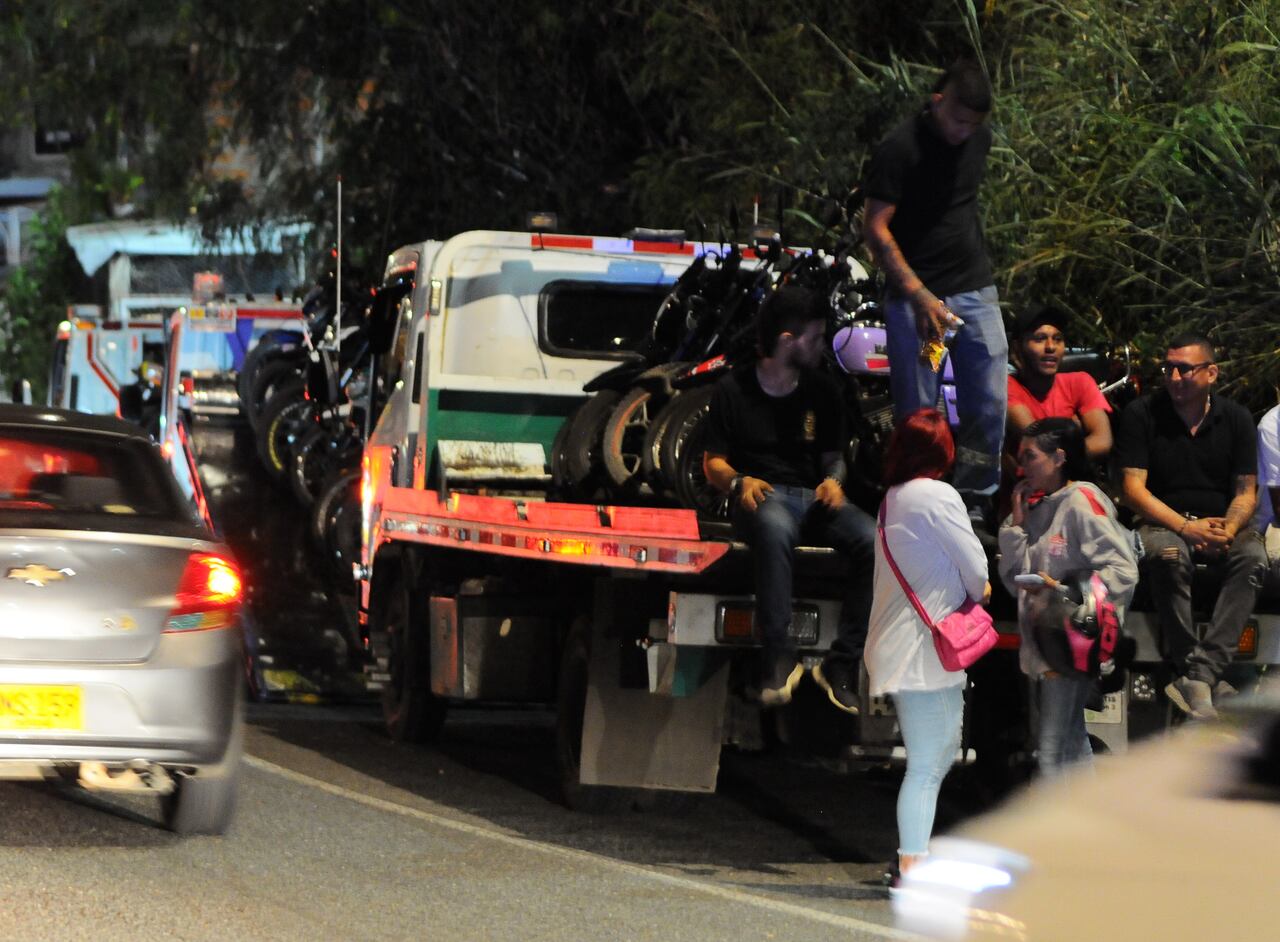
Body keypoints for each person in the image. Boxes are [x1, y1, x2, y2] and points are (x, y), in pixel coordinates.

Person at [703, 285, 876, 713]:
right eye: (815, 338)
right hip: (761, 496)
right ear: (787, 341)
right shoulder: (733, 389)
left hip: (813, 497)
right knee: (775, 527)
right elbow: (713, 463)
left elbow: (834, 459)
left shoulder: (822, 390)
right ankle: (777, 658)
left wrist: (835, 480)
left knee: (874, 540)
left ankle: (840, 665)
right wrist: (740, 481)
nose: (822, 346)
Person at [865, 60, 1007, 529]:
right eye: (957, 120)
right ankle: (917, 498)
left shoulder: (978, 141)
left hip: (972, 288)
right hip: (920, 301)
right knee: (922, 406)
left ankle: (975, 499)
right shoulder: (900, 148)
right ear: (937, 101)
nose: (964, 132)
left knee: (988, 398)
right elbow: (877, 228)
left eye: (973, 124)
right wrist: (920, 295)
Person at [1114, 333, 1267, 720]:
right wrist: (1186, 527)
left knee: (1252, 557)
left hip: (1219, 521)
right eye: (1169, 368)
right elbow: (1133, 490)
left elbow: (1246, 492)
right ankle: (1198, 672)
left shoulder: (1236, 418)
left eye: (1185, 368)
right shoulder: (1142, 413)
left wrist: (1228, 530)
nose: (1175, 376)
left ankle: (1198, 673)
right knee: (1168, 555)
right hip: (1163, 520)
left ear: (1211, 372)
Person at [865, 407, 989, 879]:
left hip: (905, 645)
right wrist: (981, 591)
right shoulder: (938, 495)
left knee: (931, 759)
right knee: (927, 764)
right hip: (926, 650)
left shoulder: (892, 499)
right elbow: (975, 566)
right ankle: (911, 866)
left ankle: (912, 861)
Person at [997, 418, 1138, 776]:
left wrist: (1060, 591)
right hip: (1048, 644)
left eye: (1030, 456)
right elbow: (1013, 581)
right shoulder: (1036, 507)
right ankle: (1083, 826)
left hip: (1072, 642)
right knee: (1071, 743)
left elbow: (1123, 571)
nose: (1022, 466)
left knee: (1052, 748)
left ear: (1059, 457)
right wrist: (1015, 525)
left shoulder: (1081, 502)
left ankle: (1053, 830)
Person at [1006, 304, 1113, 461]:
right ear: (1017, 348)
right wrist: (1075, 427)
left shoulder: (1080, 381)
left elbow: (1103, 441)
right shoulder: (1006, 387)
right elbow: (1039, 445)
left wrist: (1058, 454)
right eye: (1040, 339)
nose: (1051, 347)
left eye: (1058, 339)